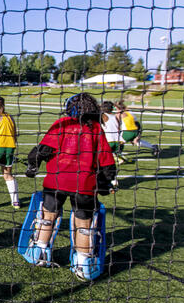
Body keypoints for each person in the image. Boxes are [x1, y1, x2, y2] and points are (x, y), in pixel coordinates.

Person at [25, 93, 116, 280]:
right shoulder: (97, 129)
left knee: (48, 216)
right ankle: (83, 263)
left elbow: (41, 150)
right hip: (84, 184)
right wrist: (106, 182)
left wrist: (32, 166)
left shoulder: (62, 124)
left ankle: (40, 253)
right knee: (84, 224)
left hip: (56, 181)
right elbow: (107, 161)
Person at [101, 101, 127, 186]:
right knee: (112, 162)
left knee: (101, 162)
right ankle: (114, 179)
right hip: (119, 142)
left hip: (109, 142)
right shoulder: (115, 116)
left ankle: (106, 180)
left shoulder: (103, 116)